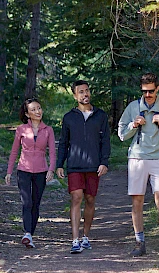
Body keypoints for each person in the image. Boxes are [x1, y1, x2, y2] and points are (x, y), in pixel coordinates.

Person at [118, 72, 159, 260]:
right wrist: (133, 125)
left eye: (151, 91)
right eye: (145, 91)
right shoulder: (133, 107)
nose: (148, 95)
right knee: (137, 201)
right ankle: (140, 242)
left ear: (158, 89)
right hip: (137, 159)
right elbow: (121, 134)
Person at [56, 80, 111, 254]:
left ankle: (86, 236)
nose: (85, 94)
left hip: (94, 166)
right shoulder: (69, 117)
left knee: (90, 200)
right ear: (75, 95)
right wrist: (60, 164)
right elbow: (63, 142)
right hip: (74, 165)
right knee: (76, 198)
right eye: (81, 92)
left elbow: (105, 141)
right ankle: (75, 240)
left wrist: (104, 162)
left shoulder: (100, 116)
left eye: (87, 91)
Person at [5, 98, 56, 248]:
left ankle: (30, 235)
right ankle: (27, 233)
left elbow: (52, 152)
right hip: (23, 170)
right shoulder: (21, 129)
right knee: (26, 202)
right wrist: (9, 172)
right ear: (27, 114)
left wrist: (51, 169)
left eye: (39, 108)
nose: (37, 111)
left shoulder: (48, 130)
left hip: (41, 171)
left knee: (35, 204)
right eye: (33, 109)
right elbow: (14, 152)